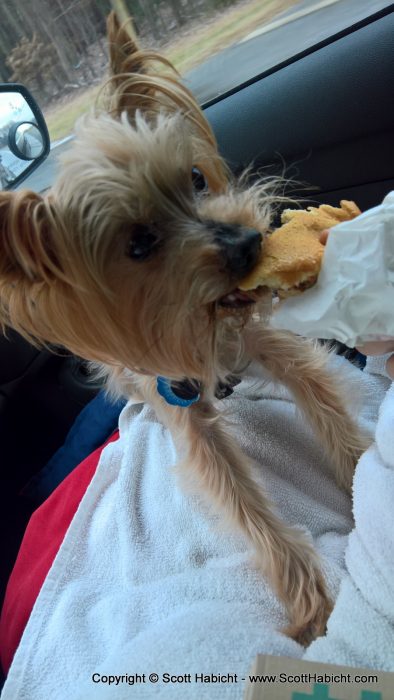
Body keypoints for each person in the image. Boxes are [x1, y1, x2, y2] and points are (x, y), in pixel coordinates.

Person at [0, 213, 393, 698]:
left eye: (194, 186)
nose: (245, 234)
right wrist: (296, 575)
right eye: (144, 243)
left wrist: (364, 467)